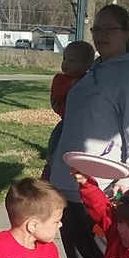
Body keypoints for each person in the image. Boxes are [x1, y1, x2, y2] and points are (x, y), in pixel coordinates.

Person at [46, 4, 129, 258]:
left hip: (102, 189)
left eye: (110, 29)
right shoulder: (97, 68)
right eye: (97, 28)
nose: (101, 34)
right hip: (69, 185)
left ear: (127, 33)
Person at [42, 40, 96, 180]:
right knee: (57, 135)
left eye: (71, 60)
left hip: (84, 121)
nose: (65, 63)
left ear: (86, 65)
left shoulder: (88, 79)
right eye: (64, 59)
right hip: (66, 119)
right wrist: (70, 85)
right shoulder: (60, 79)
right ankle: (51, 157)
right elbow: (56, 94)